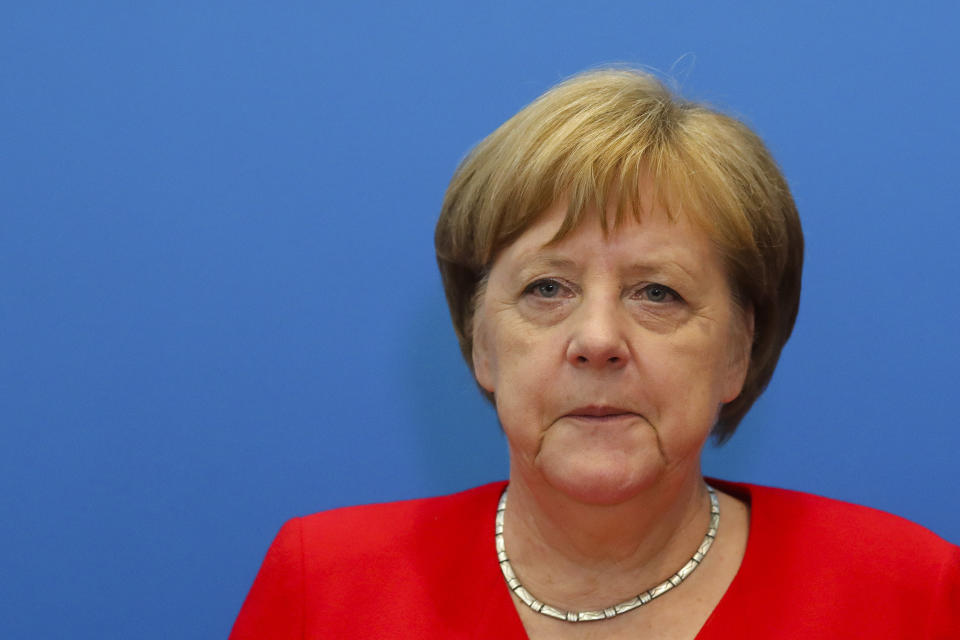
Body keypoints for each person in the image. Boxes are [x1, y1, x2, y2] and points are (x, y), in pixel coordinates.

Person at [229, 69, 960, 639]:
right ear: (480, 340)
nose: (599, 340)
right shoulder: (323, 586)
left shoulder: (909, 594)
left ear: (739, 351)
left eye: (658, 293)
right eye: (548, 287)